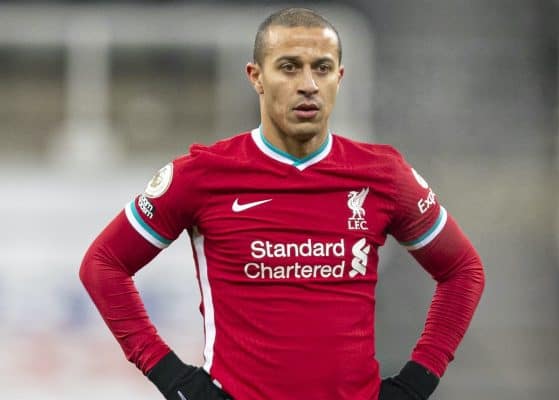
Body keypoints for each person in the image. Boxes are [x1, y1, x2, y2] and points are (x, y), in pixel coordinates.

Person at [80, 7, 485, 400]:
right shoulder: (203, 175)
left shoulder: (382, 174)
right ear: (256, 77)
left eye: (322, 68)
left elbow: (462, 270)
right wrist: (173, 378)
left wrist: (416, 383)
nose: (308, 83)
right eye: (289, 67)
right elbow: (103, 265)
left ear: (339, 78)